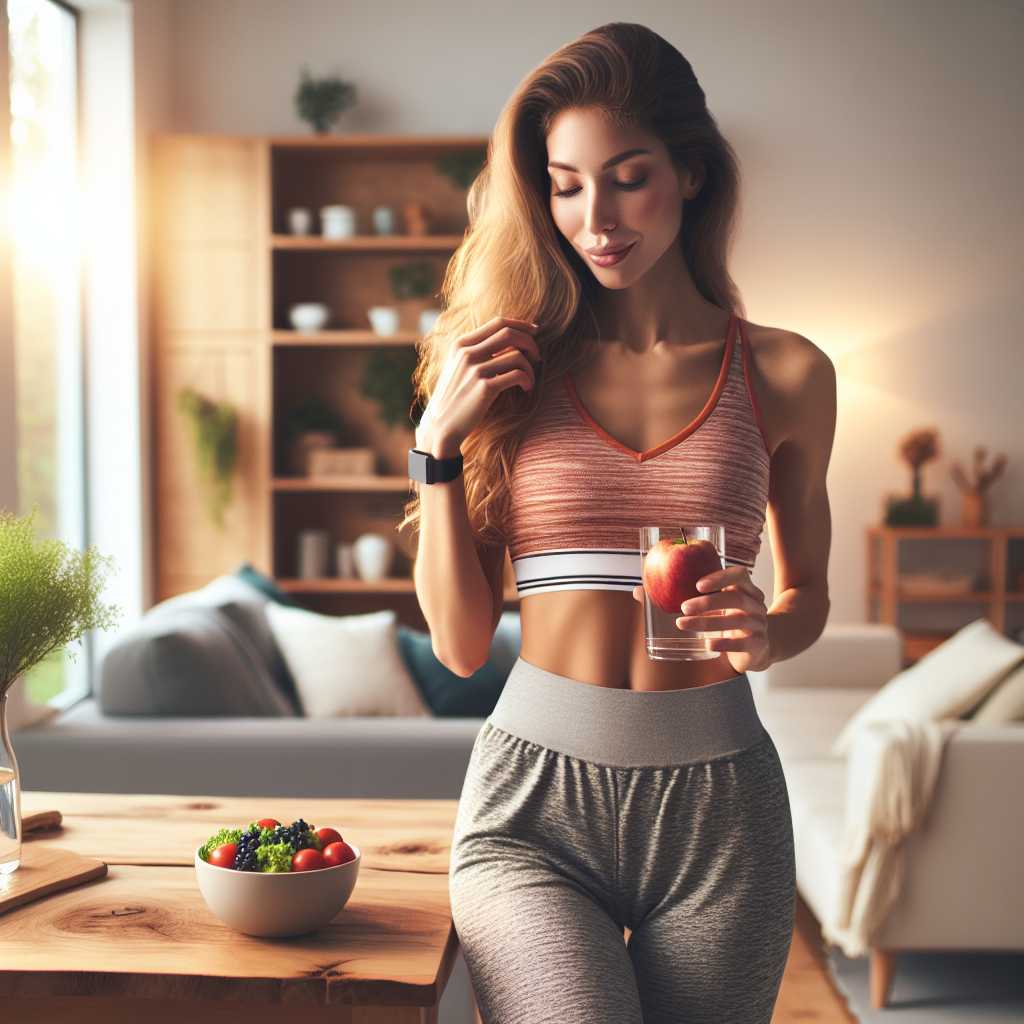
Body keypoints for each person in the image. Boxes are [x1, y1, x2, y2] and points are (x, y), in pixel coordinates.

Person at [407, 22, 835, 1024]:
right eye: (563, 184)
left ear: (689, 173)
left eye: (625, 176)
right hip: (532, 811)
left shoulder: (786, 372)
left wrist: (773, 628)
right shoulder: (507, 372)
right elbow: (463, 645)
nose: (593, 216)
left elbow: (808, 591)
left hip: (721, 809)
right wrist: (435, 446)